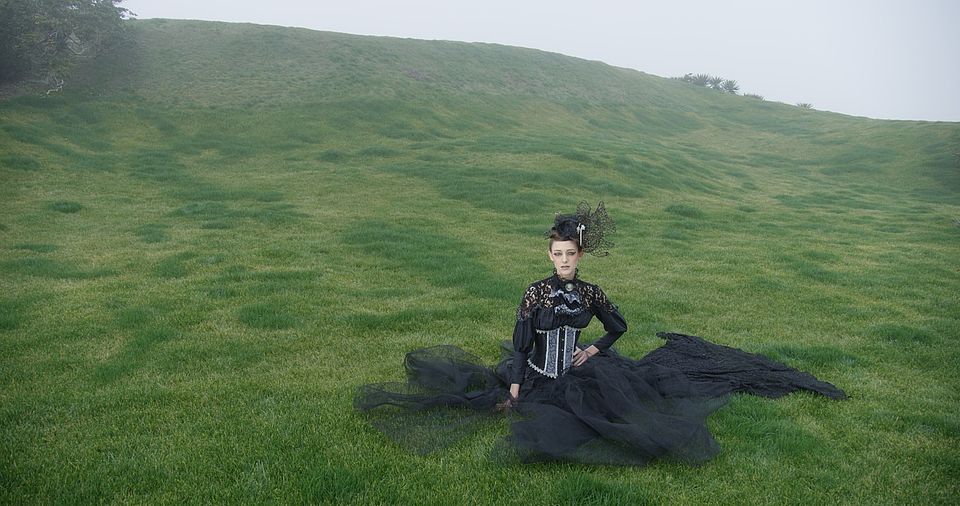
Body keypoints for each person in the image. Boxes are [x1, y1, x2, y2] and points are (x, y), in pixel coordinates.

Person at [355, 202, 846, 465]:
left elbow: (619, 327)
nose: (563, 260)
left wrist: (592, 348)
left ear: (579, 256)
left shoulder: (591, 294)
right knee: (517, 391)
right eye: (556, 254)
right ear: (548, 255)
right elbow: (522, 343)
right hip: (537, 371)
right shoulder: (534, 294)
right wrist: (515, 385)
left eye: (570, 254)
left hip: (580, 372)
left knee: (615, 414)